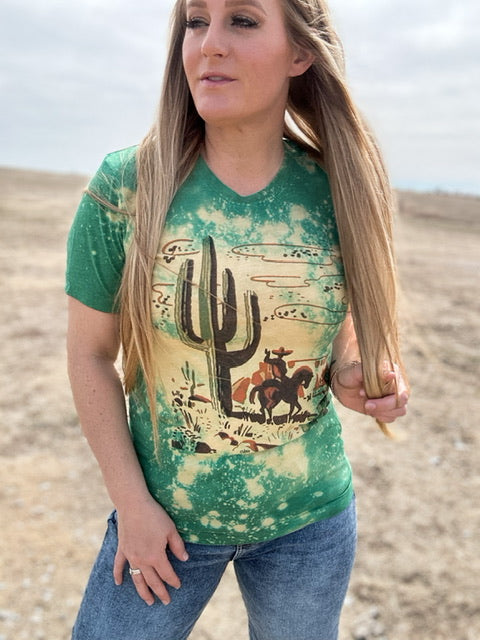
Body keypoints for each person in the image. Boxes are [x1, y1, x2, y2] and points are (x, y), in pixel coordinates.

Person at [65, 0, 409, 638]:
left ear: (300, 53)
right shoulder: (128, 186)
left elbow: (339, 333)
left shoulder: (338, 188)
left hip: (309, 525)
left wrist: (358, 370)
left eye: (242, 20)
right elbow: (89, 355)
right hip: (163, 523)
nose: (209, 44)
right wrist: (132, 506)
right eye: (196, 21)